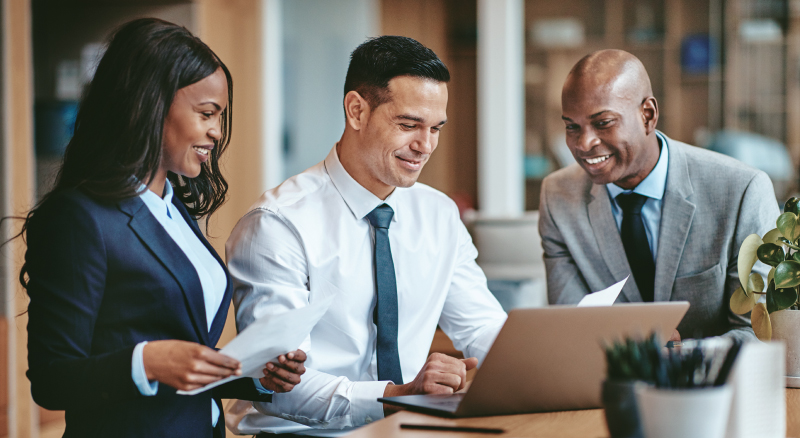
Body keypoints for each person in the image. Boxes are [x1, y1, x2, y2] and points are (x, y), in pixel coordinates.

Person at [21, 18, 305, 438]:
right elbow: (52, 378)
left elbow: (183, 365)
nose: (216, 131)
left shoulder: (173, 210)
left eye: (220, 116)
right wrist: (147, 361)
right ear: (150, 103)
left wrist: (255, 375)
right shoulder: (80, 218)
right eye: (207, 113)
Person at [224, 35, 507, 435]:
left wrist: (537, 369)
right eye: (409, 125)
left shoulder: (440, 215)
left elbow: (482, 328)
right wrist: (399, 394)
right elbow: (281, 387)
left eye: (435, 128)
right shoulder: (277, 224)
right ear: (357, 110)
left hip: (408, 430)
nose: (425, 146)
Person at [539, 49, 778, 341]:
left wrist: (681, 356)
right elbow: (571, 328)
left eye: (603, 123)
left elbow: (757, 333)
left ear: (647, 115)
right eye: (572, 127)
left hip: (713, 383)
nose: (584, 143)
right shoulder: (558, 197)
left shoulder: (742, 191)